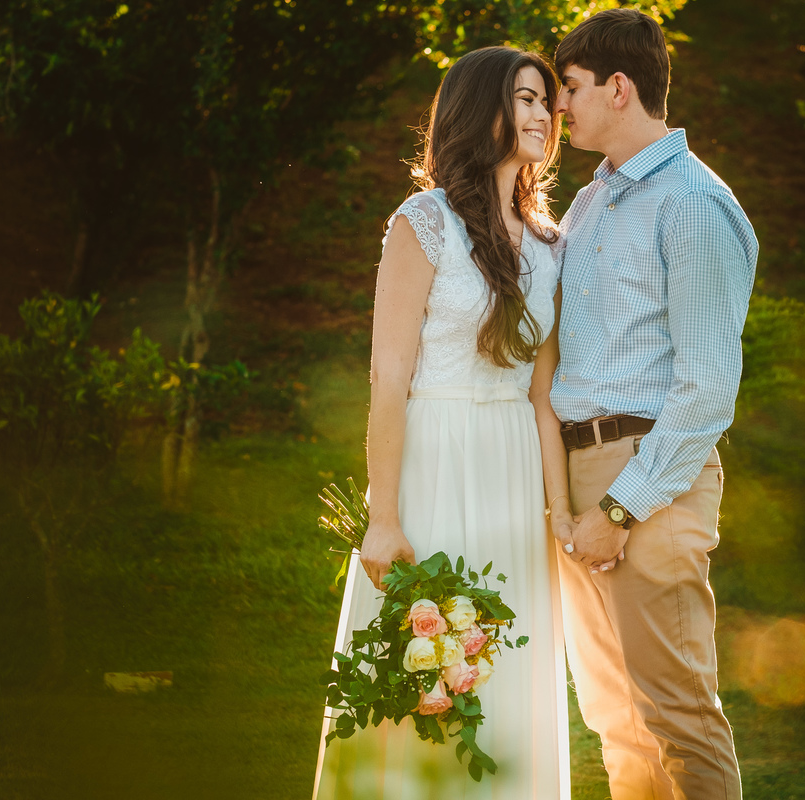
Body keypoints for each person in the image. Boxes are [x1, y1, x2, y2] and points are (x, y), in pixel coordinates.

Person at [312, 46, 571, 799]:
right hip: (433, 460)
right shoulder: (420, 224)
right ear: (477, 108)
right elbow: (389, 377)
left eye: (544, 103)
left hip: (513, 476)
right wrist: (383, 517)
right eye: (523, 99)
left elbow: (542, 397)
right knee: (423, 672)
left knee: (504, 675)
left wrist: (557, 516)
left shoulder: (551, 246)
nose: (541, 117)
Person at [533, 9, 758, 800]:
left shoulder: (693, 205)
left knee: (678, 716)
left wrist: (619, 509)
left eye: (570, 88)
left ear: (618, 88)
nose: (560, 107)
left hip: (649, 482)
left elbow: (706, 388)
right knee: (614, 719)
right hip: (583, 475)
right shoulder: (592, 203)